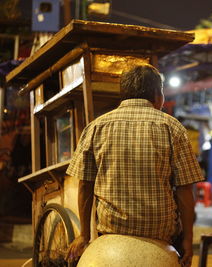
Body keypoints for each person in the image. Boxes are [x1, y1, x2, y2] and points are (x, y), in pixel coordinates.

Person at [65, 63, 204, 267]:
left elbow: (85, 185)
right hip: (161, 235)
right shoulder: (172, 128)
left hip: (112, 231)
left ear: (124, 94)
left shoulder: (96, 127)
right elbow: (185, 189)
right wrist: (188, 242)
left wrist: (84, 235)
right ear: (158, 95)